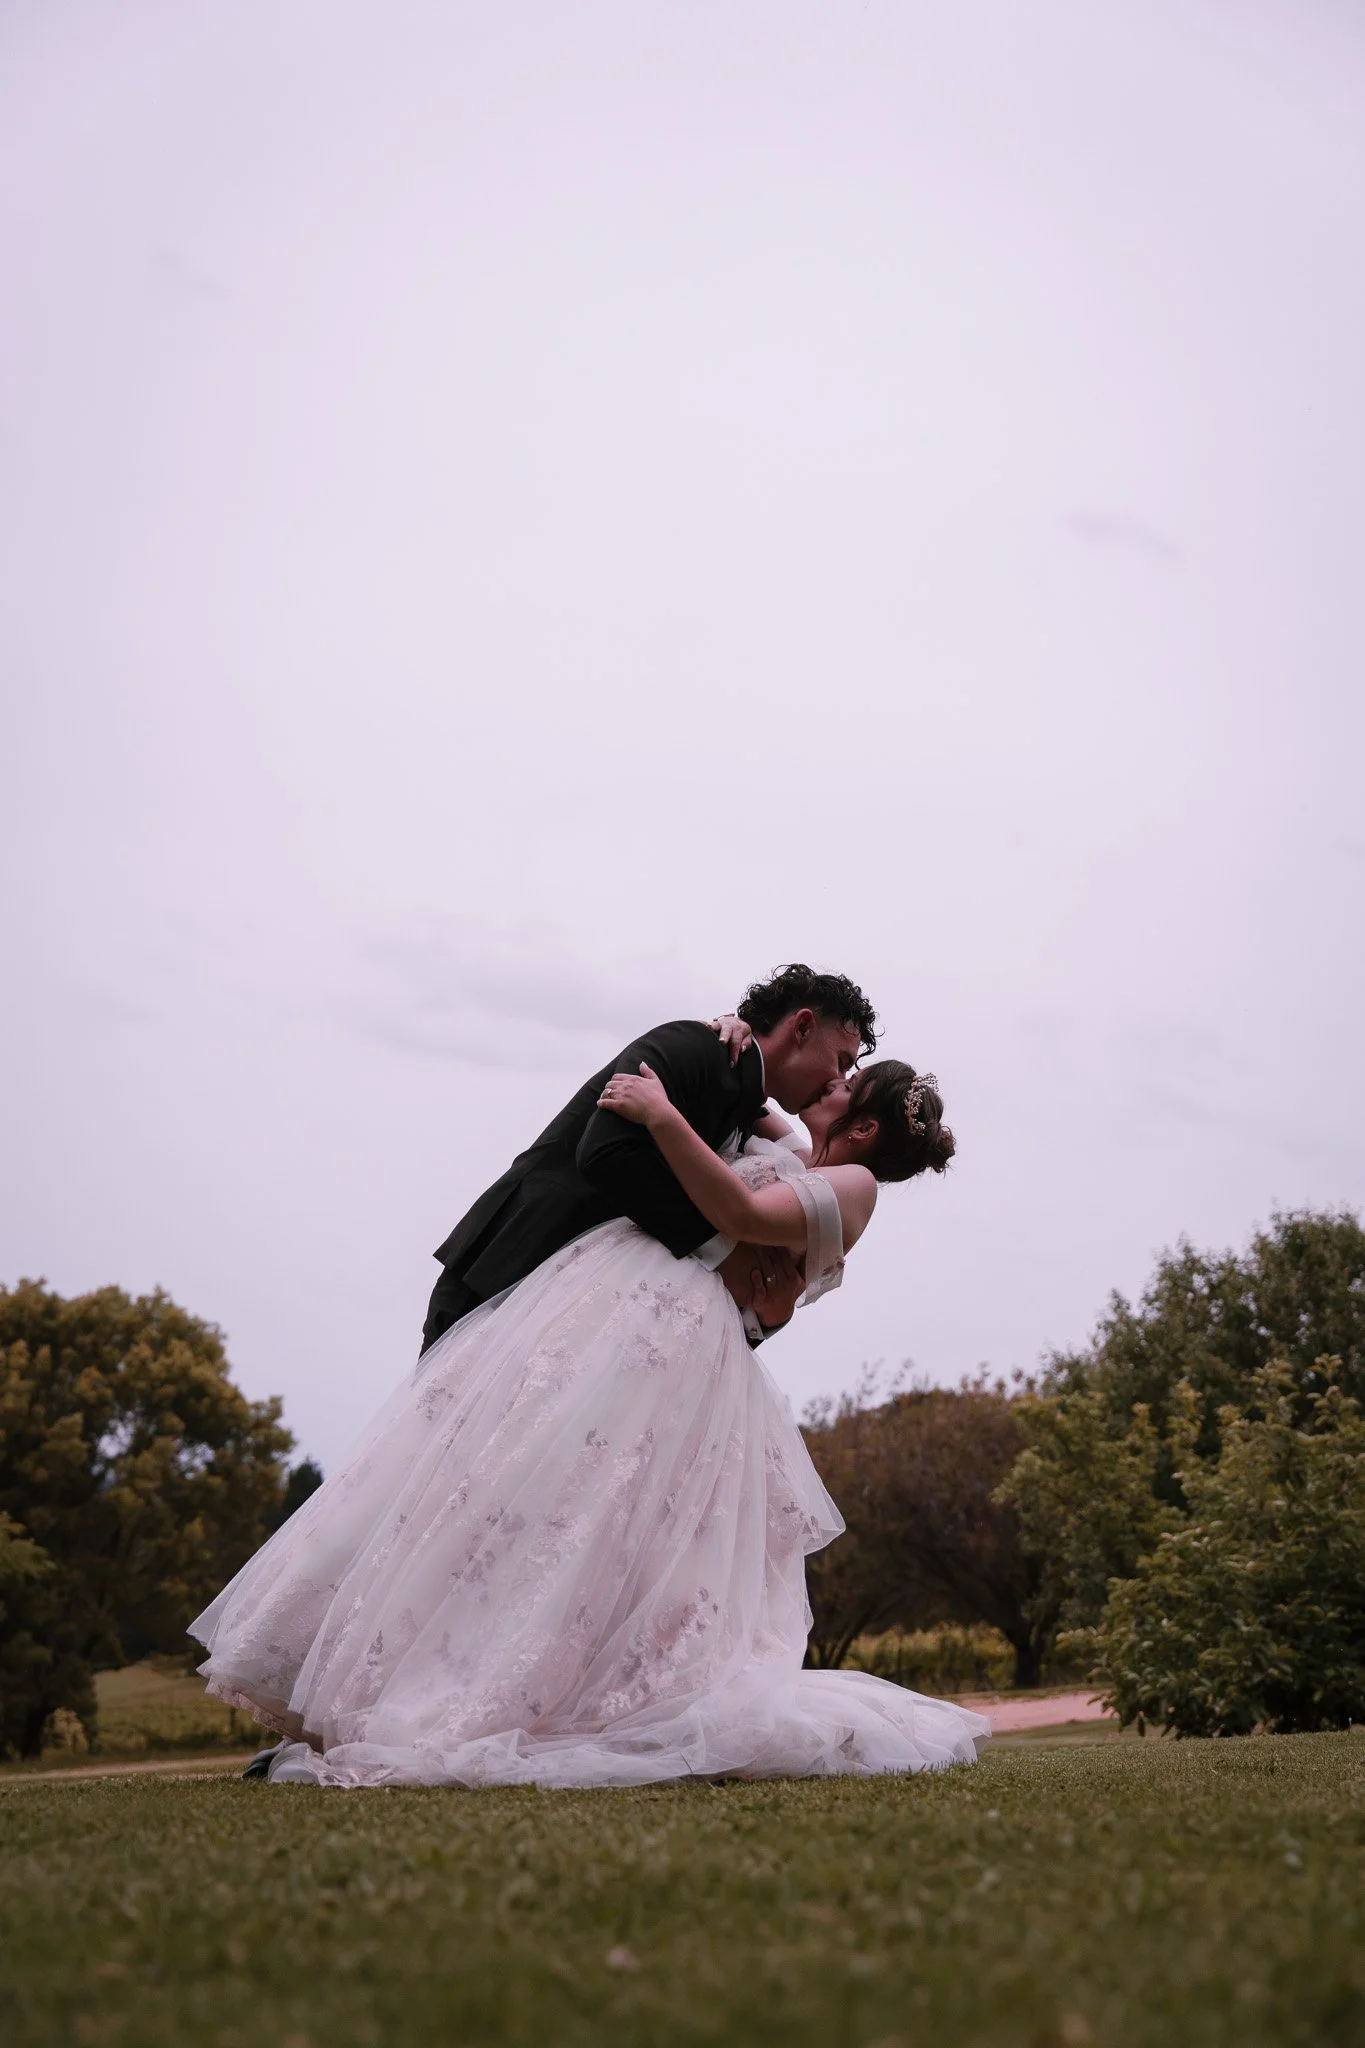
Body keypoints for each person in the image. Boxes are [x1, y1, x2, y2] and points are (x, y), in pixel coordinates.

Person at [190, 1029, 986, 1787]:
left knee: (591, 1522)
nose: (832, 1081)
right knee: (504, 1494)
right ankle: (382, 1685)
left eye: (847, 1081)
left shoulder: (851, 1187)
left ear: (865, 1124)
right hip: (617, 1304)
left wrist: (663, 1117)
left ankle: (511, 1701)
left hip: (678, 1336)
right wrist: (732, 1031)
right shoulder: (794, 1150)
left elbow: (738, 1217)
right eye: (838, 1062)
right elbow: (754, 1094)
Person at [420, 964, 877, 1352]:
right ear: (800, 1027)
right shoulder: (695, 1046)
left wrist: (768, 1314)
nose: (838, 1079)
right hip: (506, 1268)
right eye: (840, 1059)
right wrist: (724, 1253)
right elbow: (606, 1151)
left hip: (569, 1318)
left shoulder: (750, 1107)